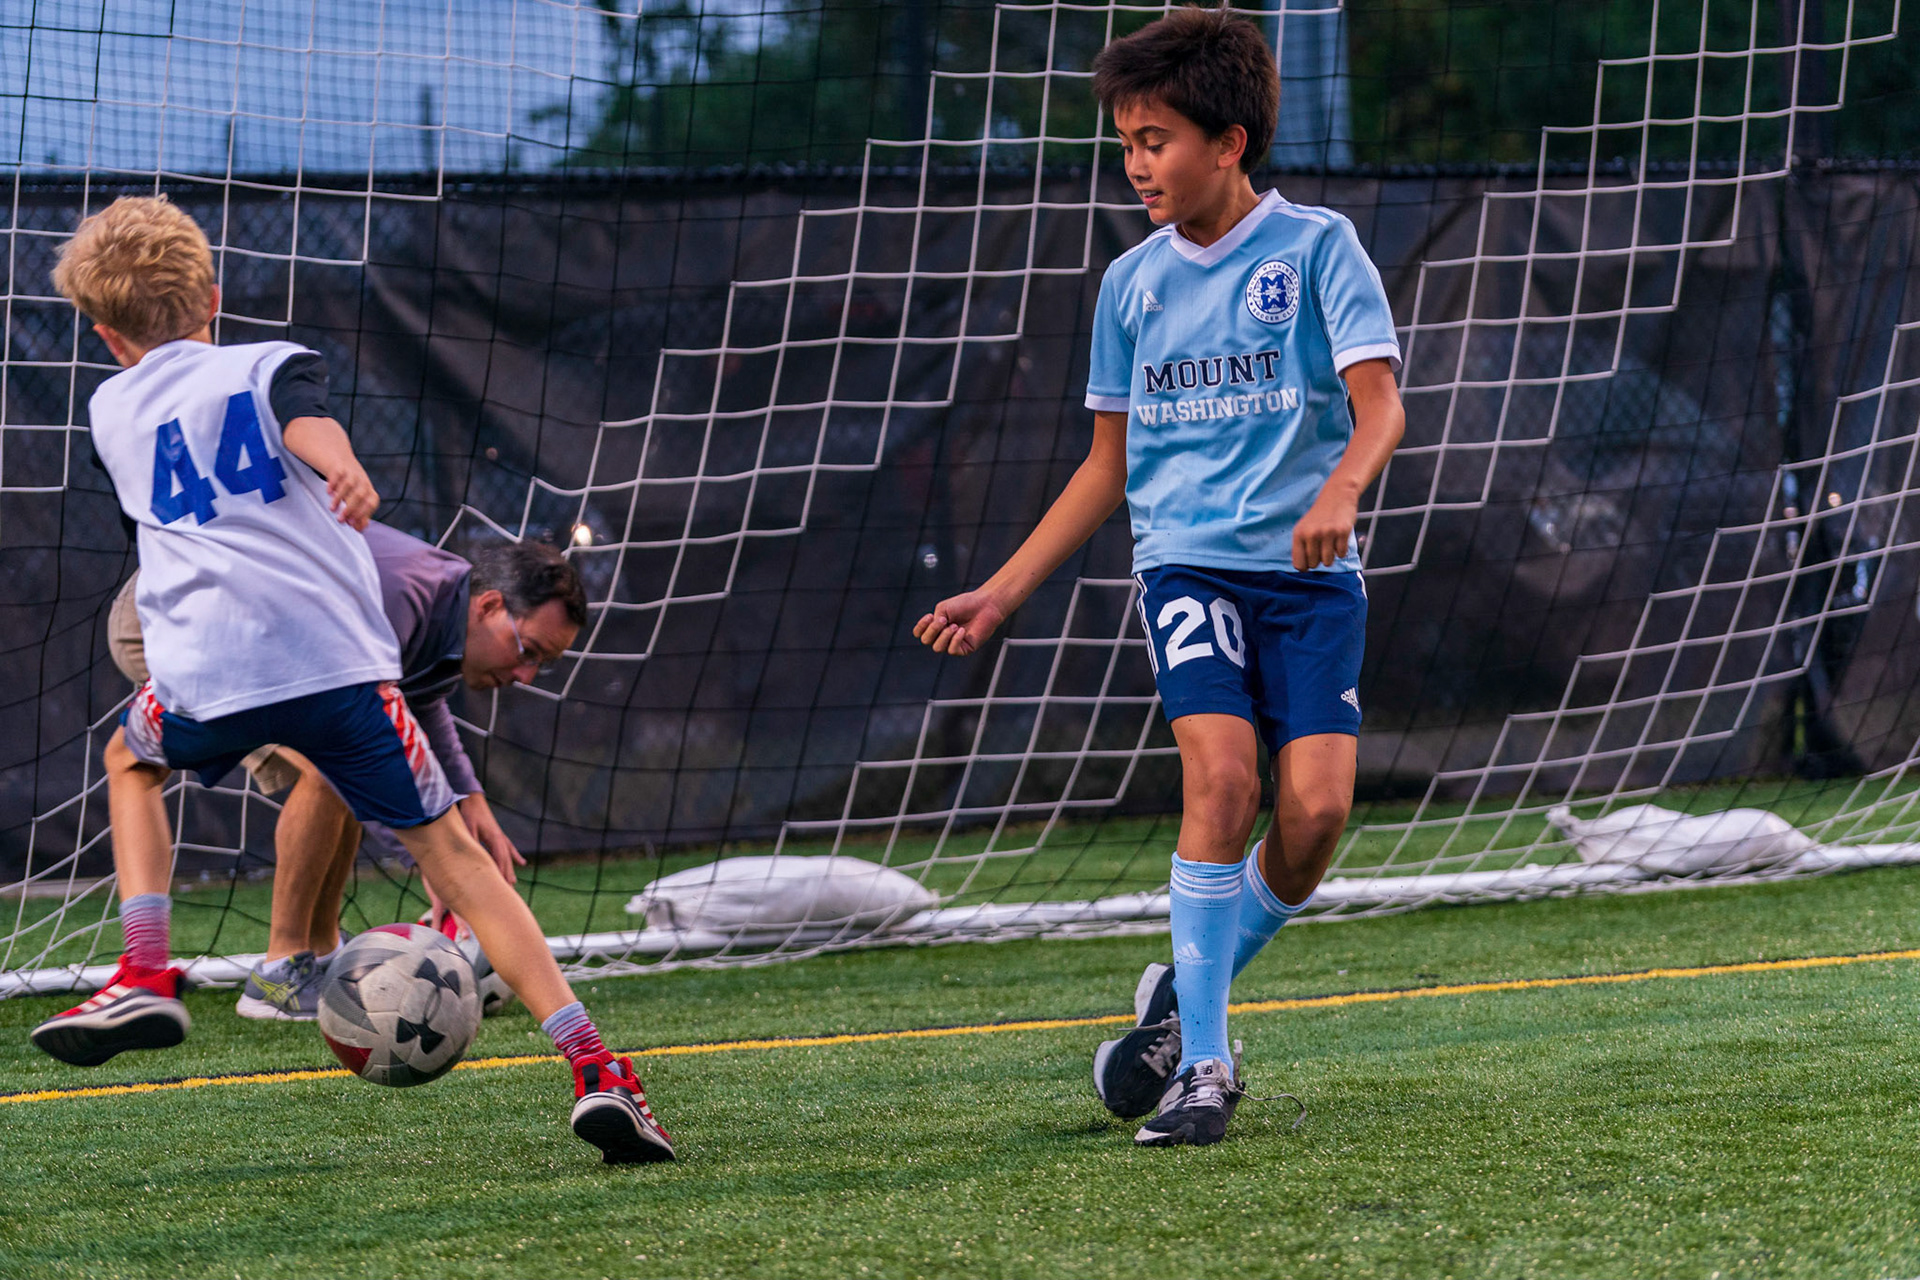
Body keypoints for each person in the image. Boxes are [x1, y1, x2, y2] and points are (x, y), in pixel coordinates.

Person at [33, 195, 672, 1163]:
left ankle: (146, 969)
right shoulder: (267, 361)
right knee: (453, 859)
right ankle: (595, 1068)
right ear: (213, 296)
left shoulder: (108, 407)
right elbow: (304, 421)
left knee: (132, 759)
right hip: (333, 666)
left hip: (204, 665)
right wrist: (344, 470)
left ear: (104, 333)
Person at [914, 7, 1405, 1147]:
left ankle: (1182, 990)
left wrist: (1340, 493)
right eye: (1126, 143)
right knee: (1222, 783)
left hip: (1311, 579)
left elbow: (1380, 406)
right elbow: (1107, 465)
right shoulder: (1130, 284)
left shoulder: (1317, 249)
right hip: (1187, 570)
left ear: (1229, 143)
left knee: (1317, 814)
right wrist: (1002, 591)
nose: (1137, 165)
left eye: (1156, 141)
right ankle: (1206, 1064)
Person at [106, 535, 585, 1021]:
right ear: (489, 605)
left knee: (334, 760)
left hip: (257, 626)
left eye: (542, 666)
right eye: (528, 651)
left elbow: (424, 702)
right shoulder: (400, 596)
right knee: (326, 760)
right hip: (175, 609)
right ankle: (278, 970)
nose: (526, 675)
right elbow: (363, 750)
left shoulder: (449, 609)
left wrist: (470, 797)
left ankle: (319, 951)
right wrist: (437, 861)